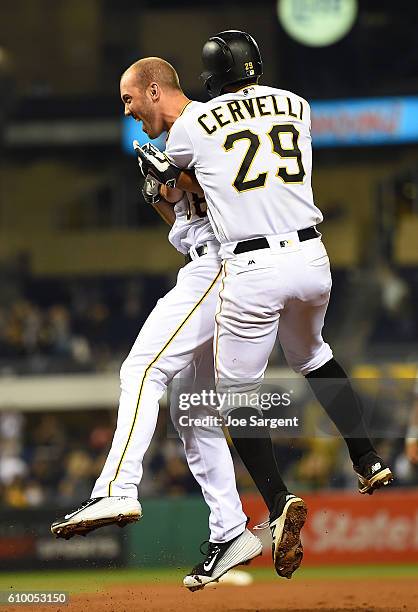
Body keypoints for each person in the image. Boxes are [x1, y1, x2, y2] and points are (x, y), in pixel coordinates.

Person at [136, 31, 394, 579]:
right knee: (314, 354)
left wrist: (161, 182)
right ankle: (367, 457)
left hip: (251, 266)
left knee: (233, 395)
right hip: (311, 257)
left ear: (210, 77)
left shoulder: (193, 124)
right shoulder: (296, 105)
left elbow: (177, 182)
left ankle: (277, 505)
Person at [50, 57, 263, 591]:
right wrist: (166, 197)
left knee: (142, 369)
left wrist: (180, 176)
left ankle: (116, 488)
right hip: (208, 259)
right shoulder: (186, 136)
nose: (127, 111)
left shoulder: (198, 126)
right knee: (194, 414)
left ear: (152, 90)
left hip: (221, 265)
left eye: (128, 100)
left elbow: (238, 199)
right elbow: (192, 217)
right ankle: (231, 528)